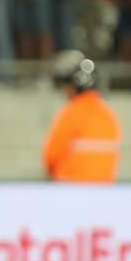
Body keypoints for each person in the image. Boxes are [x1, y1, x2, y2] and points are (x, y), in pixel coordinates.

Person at [42, 51, 122, 183]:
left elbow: (51, 156)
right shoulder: (109, 115)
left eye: (66, 84)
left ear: (74, 86)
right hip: (104, 192)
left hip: (70, 189)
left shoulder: (71, 113)